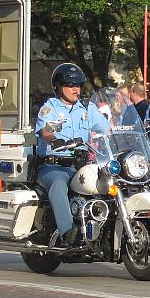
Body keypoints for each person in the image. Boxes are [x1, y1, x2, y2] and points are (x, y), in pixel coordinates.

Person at [35, 63, 109, 246]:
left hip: (81, 166)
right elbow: (46, 131)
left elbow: (107, 129)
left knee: (108, 181)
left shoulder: (86, 108)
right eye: (70, 85)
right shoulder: (52, 108)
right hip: (54, 166)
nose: (76, 89)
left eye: (78, 85)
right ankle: (68, 233)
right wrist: (54, 140)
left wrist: (124, 131)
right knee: (59, 184)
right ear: (59, 87)